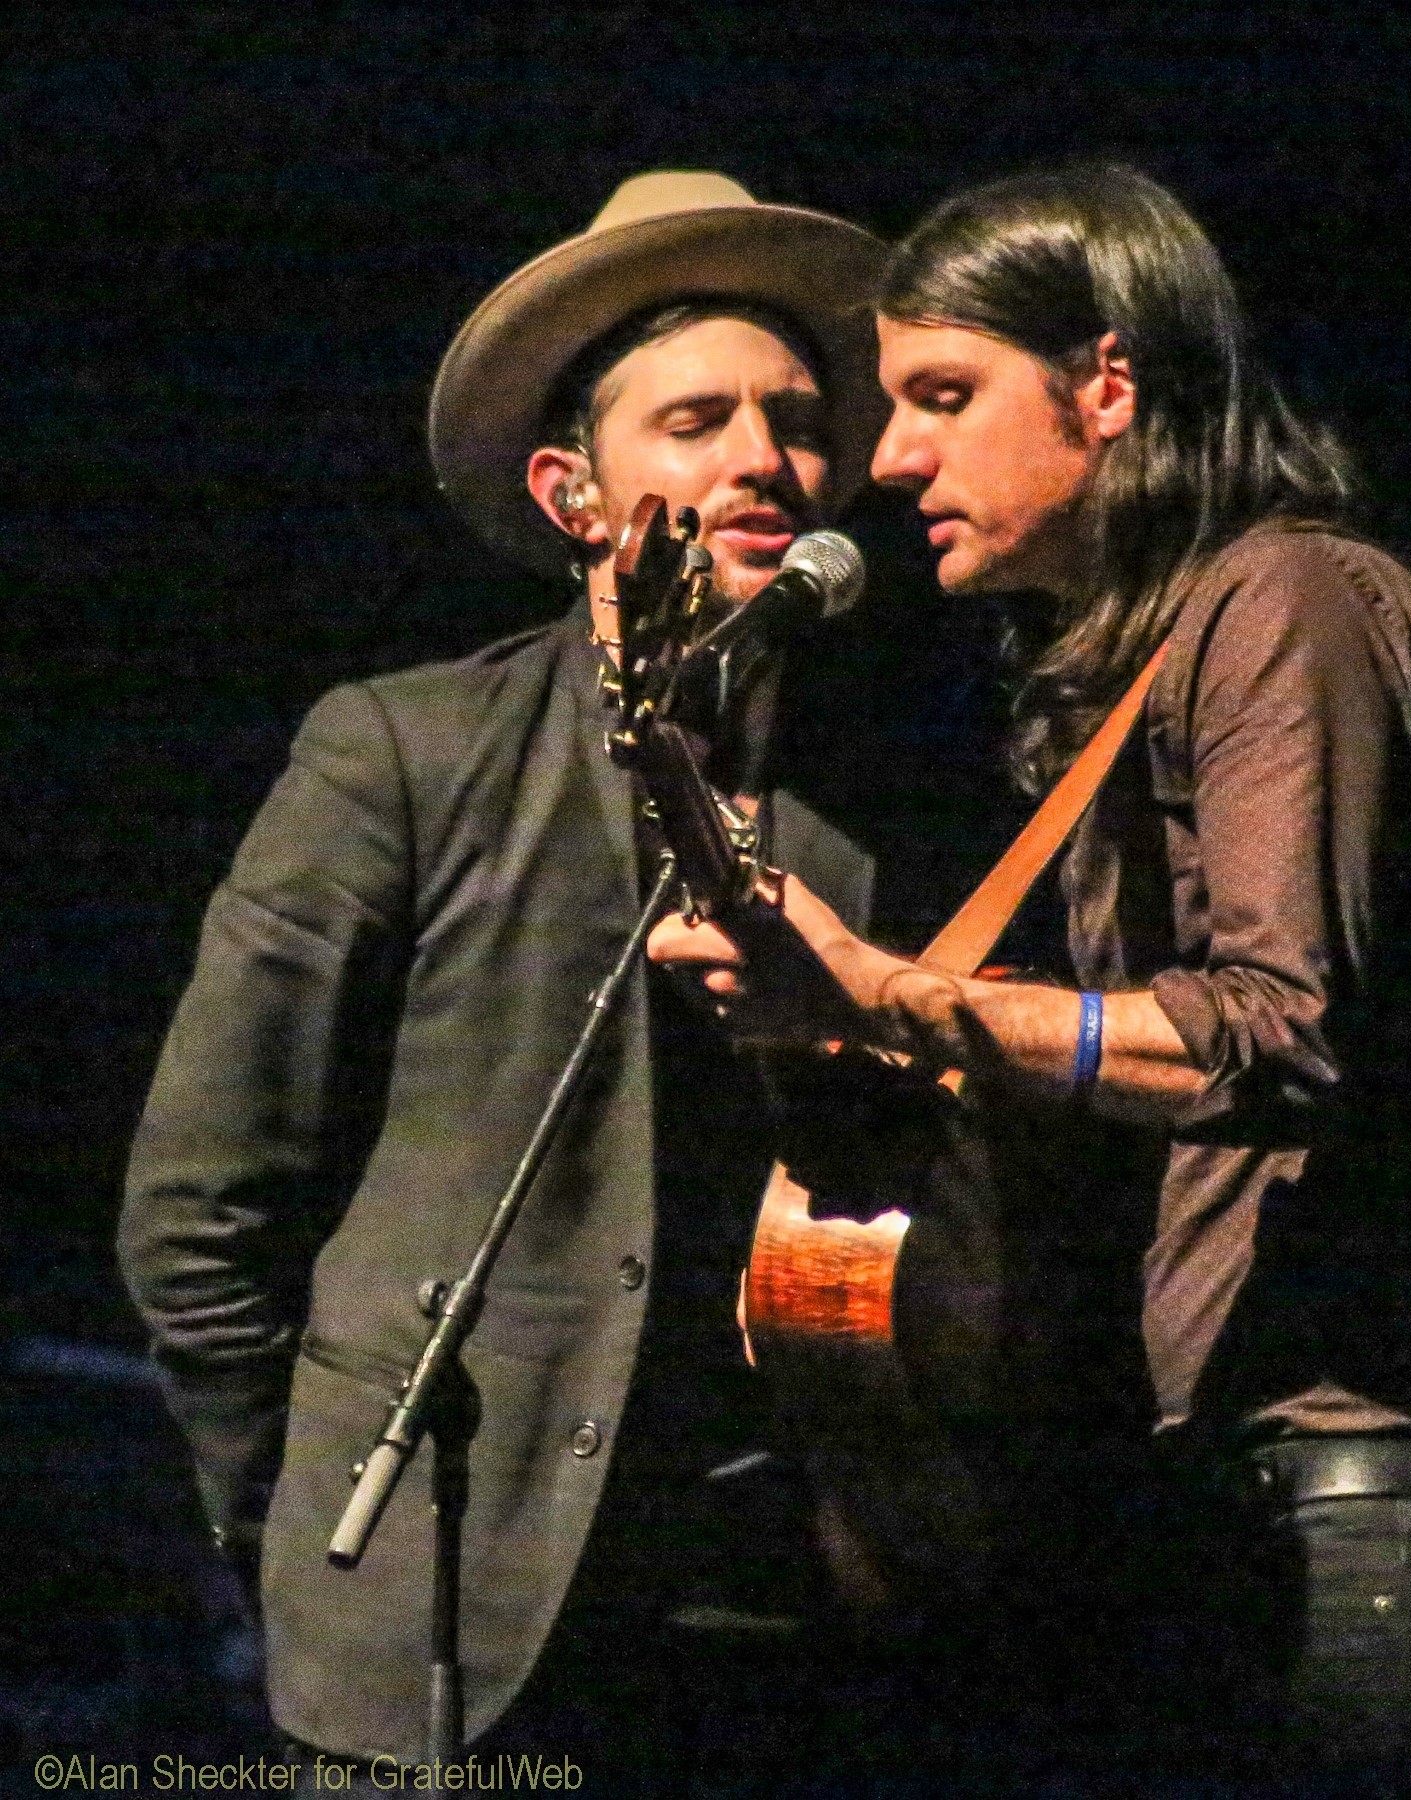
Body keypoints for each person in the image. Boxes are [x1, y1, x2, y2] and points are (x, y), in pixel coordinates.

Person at [650, 165, 1411, 1790]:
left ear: (1107, 385)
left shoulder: (1288, 600)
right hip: (1228, 1497)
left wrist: (890, 998)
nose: (891, 456)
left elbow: (1276, 1035)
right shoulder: (1150, 652)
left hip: (1354, 1504)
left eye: (942, 396)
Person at [118, 171, 887, 1778]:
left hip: (763, 1615)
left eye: (799, 422)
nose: (763, 459)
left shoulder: (881, 820)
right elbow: (201, 1205)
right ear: (572, 492)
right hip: (435, 1611)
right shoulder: (402, 751)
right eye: (696, 421)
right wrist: (293, 1516)